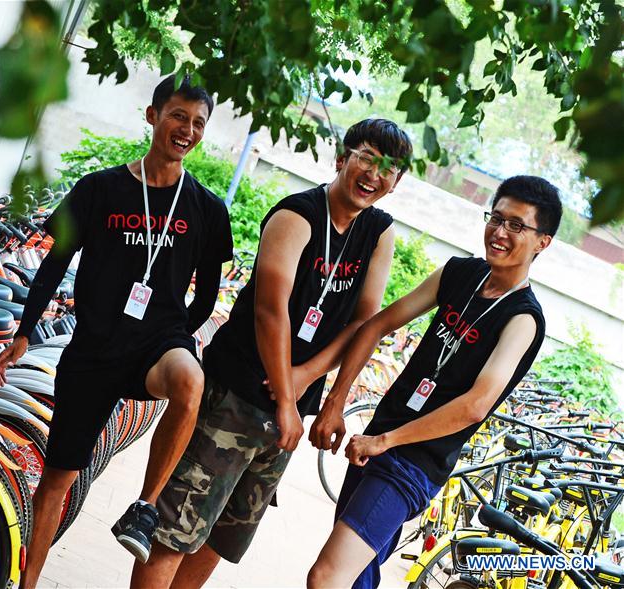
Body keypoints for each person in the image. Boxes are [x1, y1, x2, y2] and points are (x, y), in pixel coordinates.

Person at [133, 119, 413, 588]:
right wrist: (287, 395)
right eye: (366, 157)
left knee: (223, 536)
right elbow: (270, 311)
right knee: (177, 530)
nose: (374, 173)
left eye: (390, 168)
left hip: (289, 410)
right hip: (236, 393)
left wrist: (309, 383)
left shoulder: (378, 232)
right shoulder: (295, 215)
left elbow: (363, 322)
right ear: (342, 158)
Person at [0, 75, 233, 588]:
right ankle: (28, 582)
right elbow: (54, 264)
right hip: (95, 347)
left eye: (197, 123)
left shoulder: (208, 209)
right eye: (177, 116)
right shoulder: (99, 189)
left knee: (190, 380)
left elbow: (208, 294)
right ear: (151, 116)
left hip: (158, 344)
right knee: (59, 477)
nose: (186, 130)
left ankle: (144, 509)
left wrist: (180, 333)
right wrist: (25, 331)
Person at [306, 175, 561, 588]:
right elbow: (377, 326)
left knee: (326, 577)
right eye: (495, 218)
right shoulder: (459, 274)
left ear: (542, 241)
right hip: (375, 441)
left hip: (413, 463)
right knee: (355, 578)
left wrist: (387, 441)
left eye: (517, 225)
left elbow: (476, 405)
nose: (499, 232)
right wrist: (335, 402)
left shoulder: (523, 319)